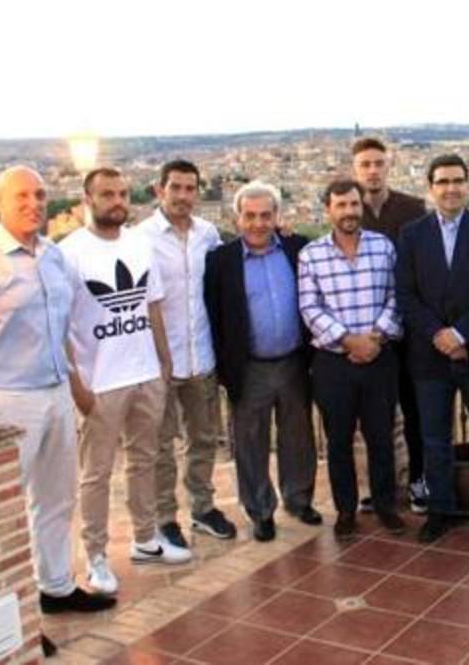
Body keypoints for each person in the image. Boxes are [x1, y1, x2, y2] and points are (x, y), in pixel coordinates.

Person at [0, 166, 117, 626]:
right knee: (2, 513)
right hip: (4, 401)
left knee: (57, 499)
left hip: (54, 394)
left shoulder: (54, 259)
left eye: (39, 195)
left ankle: (54, 588)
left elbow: (64, 328)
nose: (34, 204)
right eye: (21, 196)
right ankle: (11, 620)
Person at [60, 167, 191, 596]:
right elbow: (57, 326)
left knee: (145, 460)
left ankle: (145, 539)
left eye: (121, 193)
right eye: (106, 194)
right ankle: (96, 557)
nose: (116, 201)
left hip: (146, 372)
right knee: (96, 473)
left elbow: (152, 305)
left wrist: (164, 360)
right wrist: (77, 383)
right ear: (87, 199)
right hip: (101, 381)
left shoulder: (138, 243)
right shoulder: (70, 253)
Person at [395, 154, 469, 543]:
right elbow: (406, 295)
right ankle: (440, 509)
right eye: (442, 181)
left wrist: (461, 335)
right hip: (429, 356)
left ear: (467, 185)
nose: (451, 188)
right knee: (433, 437)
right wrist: (439, 336)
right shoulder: (411, 235)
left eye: (457, 180)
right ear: (430, 187)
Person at [204, 181, 319, 542]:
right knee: (250, 441)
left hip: (294, 361)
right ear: (237, 219)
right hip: (249, 366)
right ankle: (260, 510)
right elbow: (213, 314)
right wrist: (225, 368)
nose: (258, 223)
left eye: (266, 215)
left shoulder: (298, 248)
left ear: (277, 217)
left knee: (298, 436)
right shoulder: (220, 261)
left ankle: (298, 500)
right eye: (250, 216)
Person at [137, 159, 237, 547]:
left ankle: (203, 508)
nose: (182, 196)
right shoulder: (140, 238)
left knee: (204, 438)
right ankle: (164, 517)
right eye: (175, 188)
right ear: (160, 190)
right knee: (161, 445)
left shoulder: (207, 234)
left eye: (189, 189)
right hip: (159, 361)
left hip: (201, 357)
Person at [299, 178, 406, 538]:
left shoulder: (383, 247)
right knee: (339, 439)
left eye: (354, 205)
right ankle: (346, 510)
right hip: (334, 362)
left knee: (381, 436)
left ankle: (385, 504)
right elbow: (309, 307)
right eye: (341, 205)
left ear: (362, 207)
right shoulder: (311, 255)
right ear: (328, 209)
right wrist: (348, 341)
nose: (349, 212)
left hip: (379, 355)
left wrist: (374, 338)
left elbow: (397, 295)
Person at [352, 137, 430, 514]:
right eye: (365, 164)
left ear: (388, 166)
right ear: (355, 170)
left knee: (415, 413)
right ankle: (380, 486)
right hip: (371, 335)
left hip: (409, 331)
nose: (372, 170)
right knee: (375, 419)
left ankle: (418, 481)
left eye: (378, 163)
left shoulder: (414, 209)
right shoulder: (349, 211)